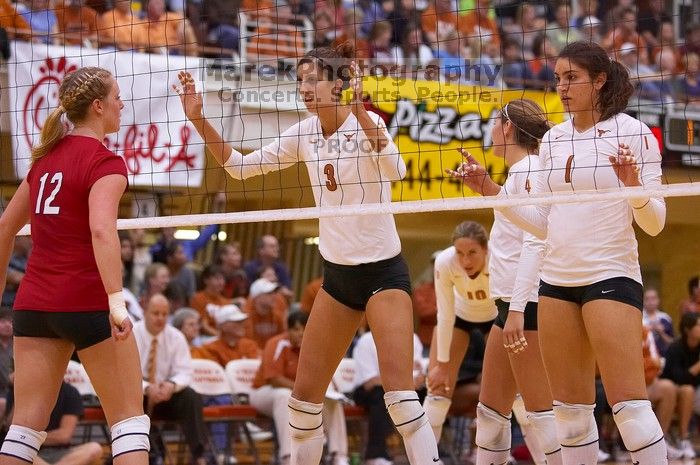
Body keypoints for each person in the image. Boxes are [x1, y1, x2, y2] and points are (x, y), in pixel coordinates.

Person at [175, 42, 439, 465]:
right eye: (300, 80)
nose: (305, 88)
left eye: (313, 79)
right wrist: (199, 119)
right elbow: (239, 168)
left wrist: (364, 121)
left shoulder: (367, 122)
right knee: (302, 404)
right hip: (337, 280)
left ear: (338, 84)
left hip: (382, 274)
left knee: (402, 400)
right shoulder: (303, 132)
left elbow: (398, 170)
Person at [453, 41, 667, 464]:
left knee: (631, 412)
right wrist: (492, 192)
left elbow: (655, 223)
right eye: (558, 78)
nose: (562, 87)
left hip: (610, 275)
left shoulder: (633, 133)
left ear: (599, 80)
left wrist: (634, 188)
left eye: (571, 78)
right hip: (556, 285)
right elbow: (543, 225)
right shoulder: (552, 140)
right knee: (569, 418)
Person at [0, 66, 149, 465]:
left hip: (34, 306)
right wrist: (117, 303)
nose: (122, 104)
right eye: (117, 96)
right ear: (98, 106)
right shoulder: (105, 163)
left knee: (25, 427)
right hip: (86, 303)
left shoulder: (43, 160)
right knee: (130, 423)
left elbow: (4, 228)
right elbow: (102, 232)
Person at [432, 102, 562, 465]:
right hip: (507, 308)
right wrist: (486, 186)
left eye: (492, 123)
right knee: (489, 413)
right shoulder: (519, 172)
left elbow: (537, 241)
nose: (488, 131)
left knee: (539, 414)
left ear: (506, 128)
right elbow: (522, 225)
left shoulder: (530, 169)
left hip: (525, 308)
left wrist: (518, 310)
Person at [250, 311, 347, 465]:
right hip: (263, 392)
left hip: (297, 394)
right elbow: (274, 379)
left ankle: (339, 455)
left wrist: (327, 391)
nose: (301, 333)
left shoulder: (314, 346)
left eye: (304, 328)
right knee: (284, 396)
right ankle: (288, 457)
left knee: (331, 399)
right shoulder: (276, 343)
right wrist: (304, 391)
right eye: (296, 329)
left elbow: (325, 375)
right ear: (287, 330)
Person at [133, 294, 209, 465]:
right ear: (145, 312)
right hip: (138, 395)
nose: (160, 318)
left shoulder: (176, 337)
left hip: (165, 395)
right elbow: (124, 373)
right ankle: (143, 455)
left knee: (191, 396)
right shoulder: (132, 334)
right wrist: (146, 388)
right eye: (155, 313)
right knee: (129, 396)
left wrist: (171, 385)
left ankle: (199, 456)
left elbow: (185, 372)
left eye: (164, 314)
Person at [352, 330, 425, 465]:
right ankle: (375, 454)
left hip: (404, 387)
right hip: (368, 391)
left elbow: (419, 373)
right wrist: (402, 382)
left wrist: (417, 381)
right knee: (382, 396)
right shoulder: (366, 341)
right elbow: (370, 382)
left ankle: (428, 451)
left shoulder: (413, 338)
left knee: (426, 394)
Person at [5, 382, 103, 465]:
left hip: (59, 452)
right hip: (30, 451)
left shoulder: (69, 392)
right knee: (16, 450)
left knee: (95, 448)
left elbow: (64, 436)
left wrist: (29, 438)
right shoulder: (22, 388)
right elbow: (10, 430)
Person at [659, 312, 700, 459]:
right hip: (673, 389)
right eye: (698, 325)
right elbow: (679, 378)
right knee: (687, 390)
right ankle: (683, 439)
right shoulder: (675, 348)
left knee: (690, 391)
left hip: (695, 391)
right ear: (688, 330)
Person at [642, 287, 674, 357]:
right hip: (645, 358)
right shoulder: (639, 318)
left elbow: (672, 343)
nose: (650, 302)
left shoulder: (665, 318)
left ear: (658, 300)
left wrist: (661, 332)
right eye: (647, 299)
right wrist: (646, 330)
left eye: (653, 298)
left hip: (664, 357)